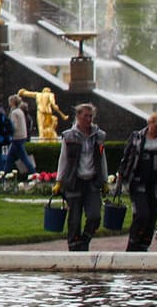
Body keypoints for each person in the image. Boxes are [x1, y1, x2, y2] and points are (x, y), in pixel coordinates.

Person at [119, 112, 157, 252]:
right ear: (149, 123)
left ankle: (144, 245)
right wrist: (121, 180)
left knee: (152, 217)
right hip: (138, 182)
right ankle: (133, 244)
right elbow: (126, 158)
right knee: (142, 214)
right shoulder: (137, 137)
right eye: (156, 127)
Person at [56, 102, 109, 251]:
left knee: (95, 216)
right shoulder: (69, 136)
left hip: (92, 181)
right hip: (74, 180)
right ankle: (74, 246)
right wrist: (59, 181)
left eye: (90, 116)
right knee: (74, 217)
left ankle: (85, 239)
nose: (88, 119)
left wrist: (104, 181)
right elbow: (63, 159)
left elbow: (102, 159)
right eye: (85, 116)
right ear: (78, 116)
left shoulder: (98, 136)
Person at [5, 94, 36, 175]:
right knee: (10, 157)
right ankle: (4, 174)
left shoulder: (14, 112)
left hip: (16, 138)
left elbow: (13, 126)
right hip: (22, 136)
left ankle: (34, 174)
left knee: (23, 157)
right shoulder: (20, 111)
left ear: (12, 102)